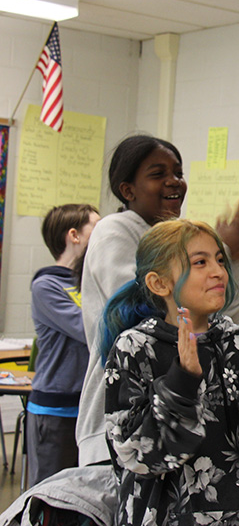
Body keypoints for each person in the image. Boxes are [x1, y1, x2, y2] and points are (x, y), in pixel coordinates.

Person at [101, 219, 239, 525]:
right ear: (159, 283)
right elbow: (135, 457)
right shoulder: (135, 348)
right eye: (200, 262)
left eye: (220, 260)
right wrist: (181, 383)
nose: (218, 272)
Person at [76, 134, 239, 467]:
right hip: (122, 423)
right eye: (158, 174)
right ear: (128, 189)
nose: (174, 182)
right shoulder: (114, 229)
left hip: (186, 420)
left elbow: (223, 318)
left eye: (178, 172)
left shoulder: (180, 239)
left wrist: (237, 260)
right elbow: (150, 312)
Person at [28, 204, 100, 486]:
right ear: (74, 235)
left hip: (87, 408)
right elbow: (88, 328)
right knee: (50, 496)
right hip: (56, 411)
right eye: (96, 227)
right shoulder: (46, 286)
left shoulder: (89, 283)